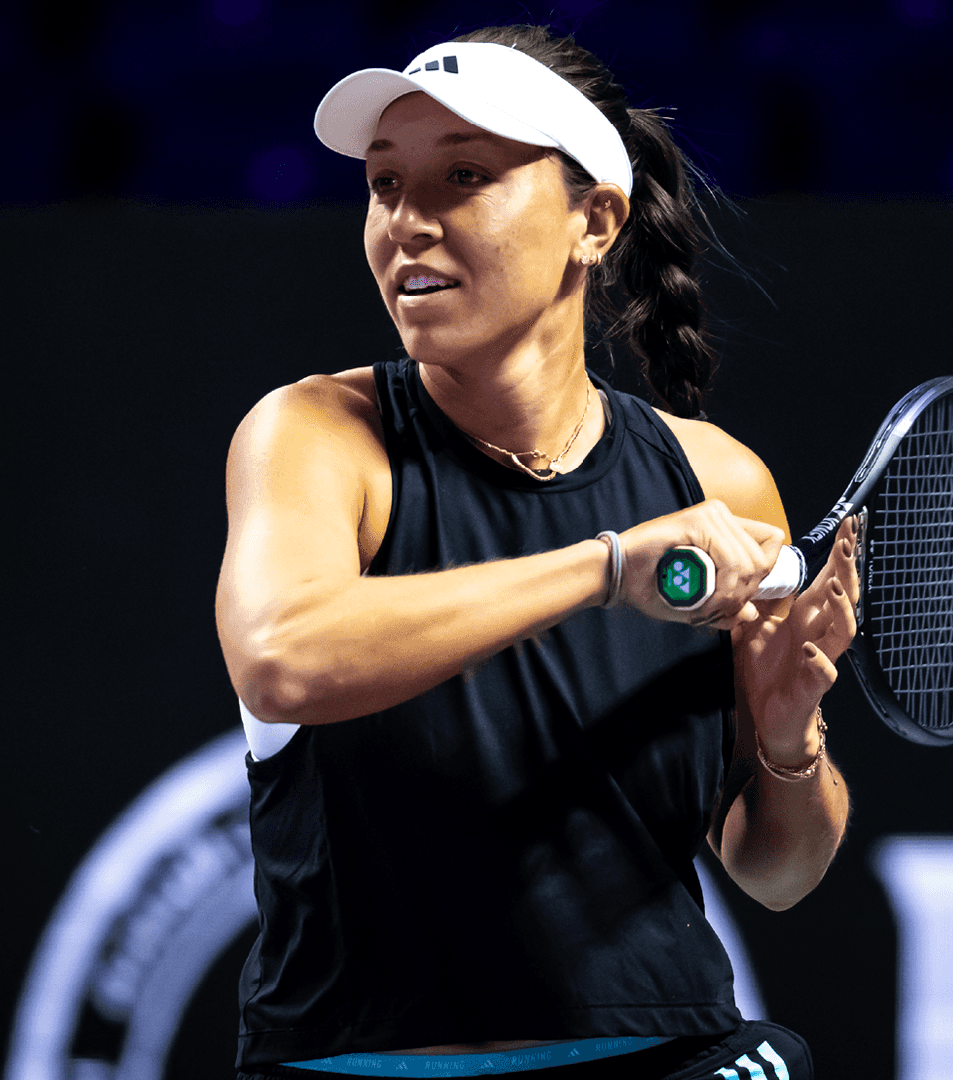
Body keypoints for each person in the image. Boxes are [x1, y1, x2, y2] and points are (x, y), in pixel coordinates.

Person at [215, 25, 858, 1080]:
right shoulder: (317, 435)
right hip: (358, 1064)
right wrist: (605, 567)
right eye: (384, 185)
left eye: (464, 177)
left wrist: (790, 743)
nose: (407, 223)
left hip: (661, 1053)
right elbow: (282, 658)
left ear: (593, 221)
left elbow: (776, 873)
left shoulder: (719, 483)